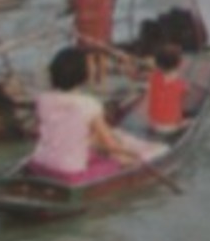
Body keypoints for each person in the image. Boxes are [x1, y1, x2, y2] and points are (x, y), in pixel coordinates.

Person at [29, 47, 166, 178]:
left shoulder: (42, 100)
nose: (94, 68)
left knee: (96, 149)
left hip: (40, 164)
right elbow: (110, 144)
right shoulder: (89, 104)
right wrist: (128, 156)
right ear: (82, 74)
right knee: (123, 159)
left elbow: (51, 132)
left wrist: (90, 141)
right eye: (91, 66)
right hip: (70, 171)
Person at [144, 42, 189, 136]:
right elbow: (185, 98)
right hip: (170, 128)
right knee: (190, 121)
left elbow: (154, 68)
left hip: (152, 124)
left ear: (158, 64)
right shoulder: (181, 84)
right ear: (179, 64)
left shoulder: (153, 77)